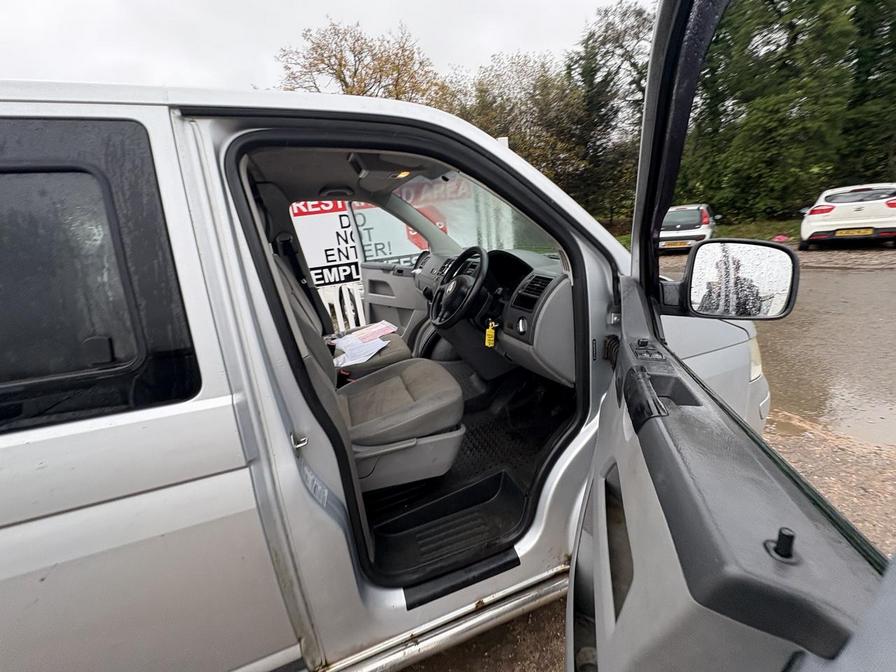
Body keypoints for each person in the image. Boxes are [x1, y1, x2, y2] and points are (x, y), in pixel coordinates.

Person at [697, 253, 762, 317]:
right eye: (720, 271)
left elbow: (754, 313)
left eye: (728, 272)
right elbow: (700, 312)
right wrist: (715, 294)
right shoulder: (710, 293)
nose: (723, 275)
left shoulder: (749, 291)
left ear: (736, 272)